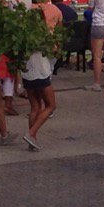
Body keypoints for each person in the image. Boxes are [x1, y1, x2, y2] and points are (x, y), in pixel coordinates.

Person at [21, 8, 58, 152]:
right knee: (50, 105)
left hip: (27, 72)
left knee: (35, 106)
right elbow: (53, 49)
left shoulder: (23, 34)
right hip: (41, 71)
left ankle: (32, 139)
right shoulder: (44, 33)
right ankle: (31, 133)